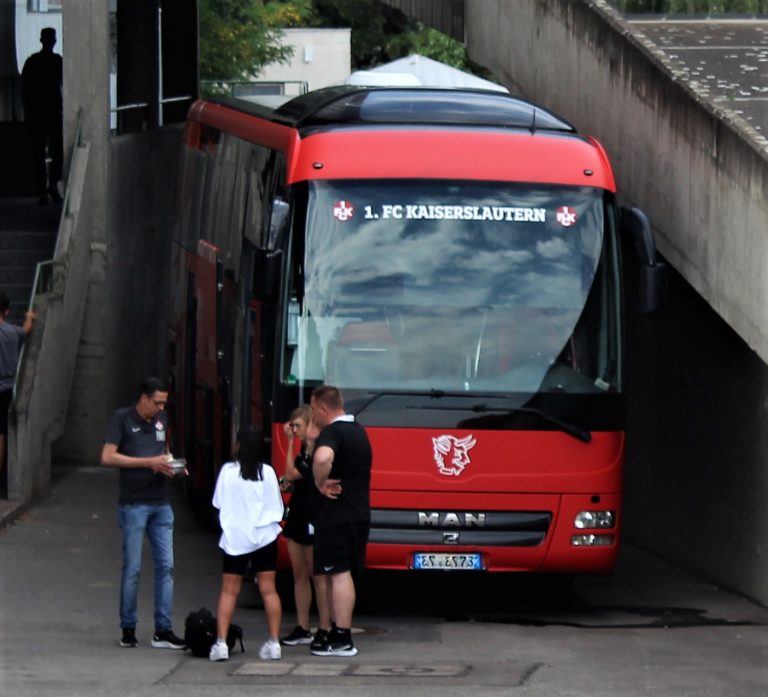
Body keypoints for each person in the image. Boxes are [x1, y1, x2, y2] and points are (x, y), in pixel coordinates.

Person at [100, 377, 186, 650]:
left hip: (160, 502)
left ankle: (163, 629)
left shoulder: (162, 421)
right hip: (134, 503)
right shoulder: (122, 419)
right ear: (143, 399)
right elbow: (107, 456)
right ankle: (128, 626)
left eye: (164, 403)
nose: (161, 407)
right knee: (133, 568)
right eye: (157, 402)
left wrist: (173, 465)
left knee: (167, 567)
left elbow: (164, 451)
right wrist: (147, 462)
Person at [209, 426, 284, 662]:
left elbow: (218, 503)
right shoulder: (268, 473)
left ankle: (221, 643)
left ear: (238, 446)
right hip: (265, 537)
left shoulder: (228, 472)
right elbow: (276, 507)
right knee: (269, 590)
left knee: (229, 591)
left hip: (235, 538)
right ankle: (274, 642)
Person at [309, 385, 372, 657]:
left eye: (313, 410)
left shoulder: (333, 432)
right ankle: (338, 632)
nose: (313, 416)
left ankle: (343, 636)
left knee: (338, 573)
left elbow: (323, 457)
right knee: (342, 573)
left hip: (336, 514)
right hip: (359, 512)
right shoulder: (359, 430)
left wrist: (320, 482)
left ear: (324, 408)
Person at [278, 405, 331, 648]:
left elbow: (290, 473)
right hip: (297, 514)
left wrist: (288, 444)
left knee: (318, 577)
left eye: (298, 426)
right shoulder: (304, 450)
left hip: (313, 516)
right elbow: (291, 479)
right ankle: (302, 627)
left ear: (311, 425)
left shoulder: (319, 451)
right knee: (299, 575)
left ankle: (324, 627)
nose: (294, 430)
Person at [21, 27, 63, 205]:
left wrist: (28, 112)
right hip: (53, 113)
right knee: (58, 152)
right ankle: (53, 185)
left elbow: (24, 90)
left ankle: (42, 191)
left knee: (38, 153)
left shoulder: (32, 62)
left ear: (41, 40)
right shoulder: (57, 62)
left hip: (36, 115)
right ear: (53, 41)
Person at [0, 293, 35, 488]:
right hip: (7, 388)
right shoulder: (13, 332)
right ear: (7, 311)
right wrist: (29, 316)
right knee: (1, 433)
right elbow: (27, 330)